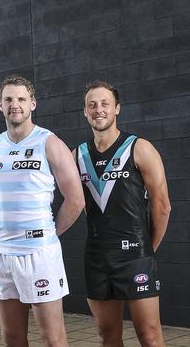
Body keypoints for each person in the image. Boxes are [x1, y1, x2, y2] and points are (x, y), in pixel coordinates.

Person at [0, 76, 84, 347]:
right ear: (0, 106)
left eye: (21, 99)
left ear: (33, 104)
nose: (15, 104)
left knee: (52, 338)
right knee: (12, 337)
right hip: (2, 253)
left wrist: (48, 233)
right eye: (9, 99)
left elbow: (75, 199)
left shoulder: (49, 143)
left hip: (39, 254)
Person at [74, 80, 171, 347]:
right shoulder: (77, 155)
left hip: (135, 256)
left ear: (117, 108)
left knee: (150, 336)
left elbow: (163, 206)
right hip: (97, 257)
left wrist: (146, 249)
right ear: (85, 111)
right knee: (107, 336)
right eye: (92, 105)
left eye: (105, 103)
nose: (98, 109)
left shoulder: (139, 148)